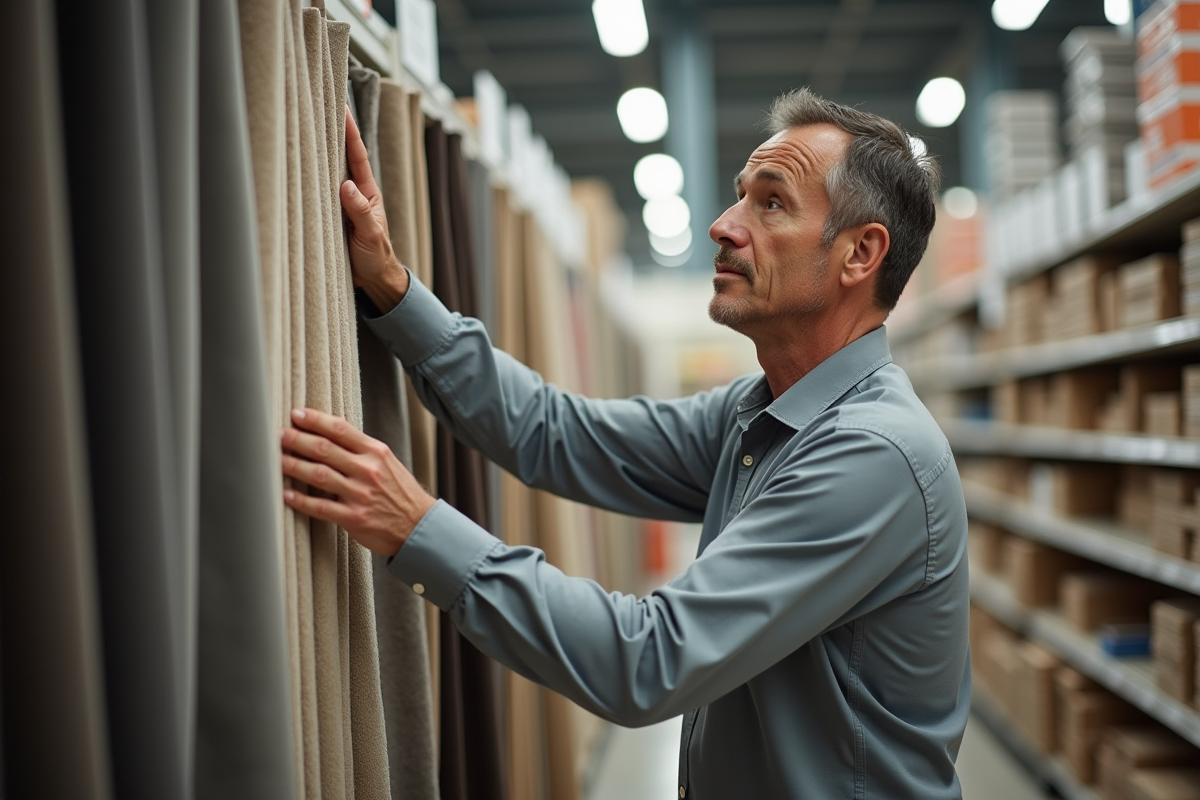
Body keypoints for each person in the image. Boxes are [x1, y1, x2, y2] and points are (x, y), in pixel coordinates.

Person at [280, 88, 970, 799]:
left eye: (770, 203)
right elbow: (555, 433)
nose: (723, 225)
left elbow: (646, 661)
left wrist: (415, 528)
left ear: (861, 253)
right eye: (740, 197)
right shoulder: (761, 415)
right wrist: (391, 288)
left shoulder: (872, 455)